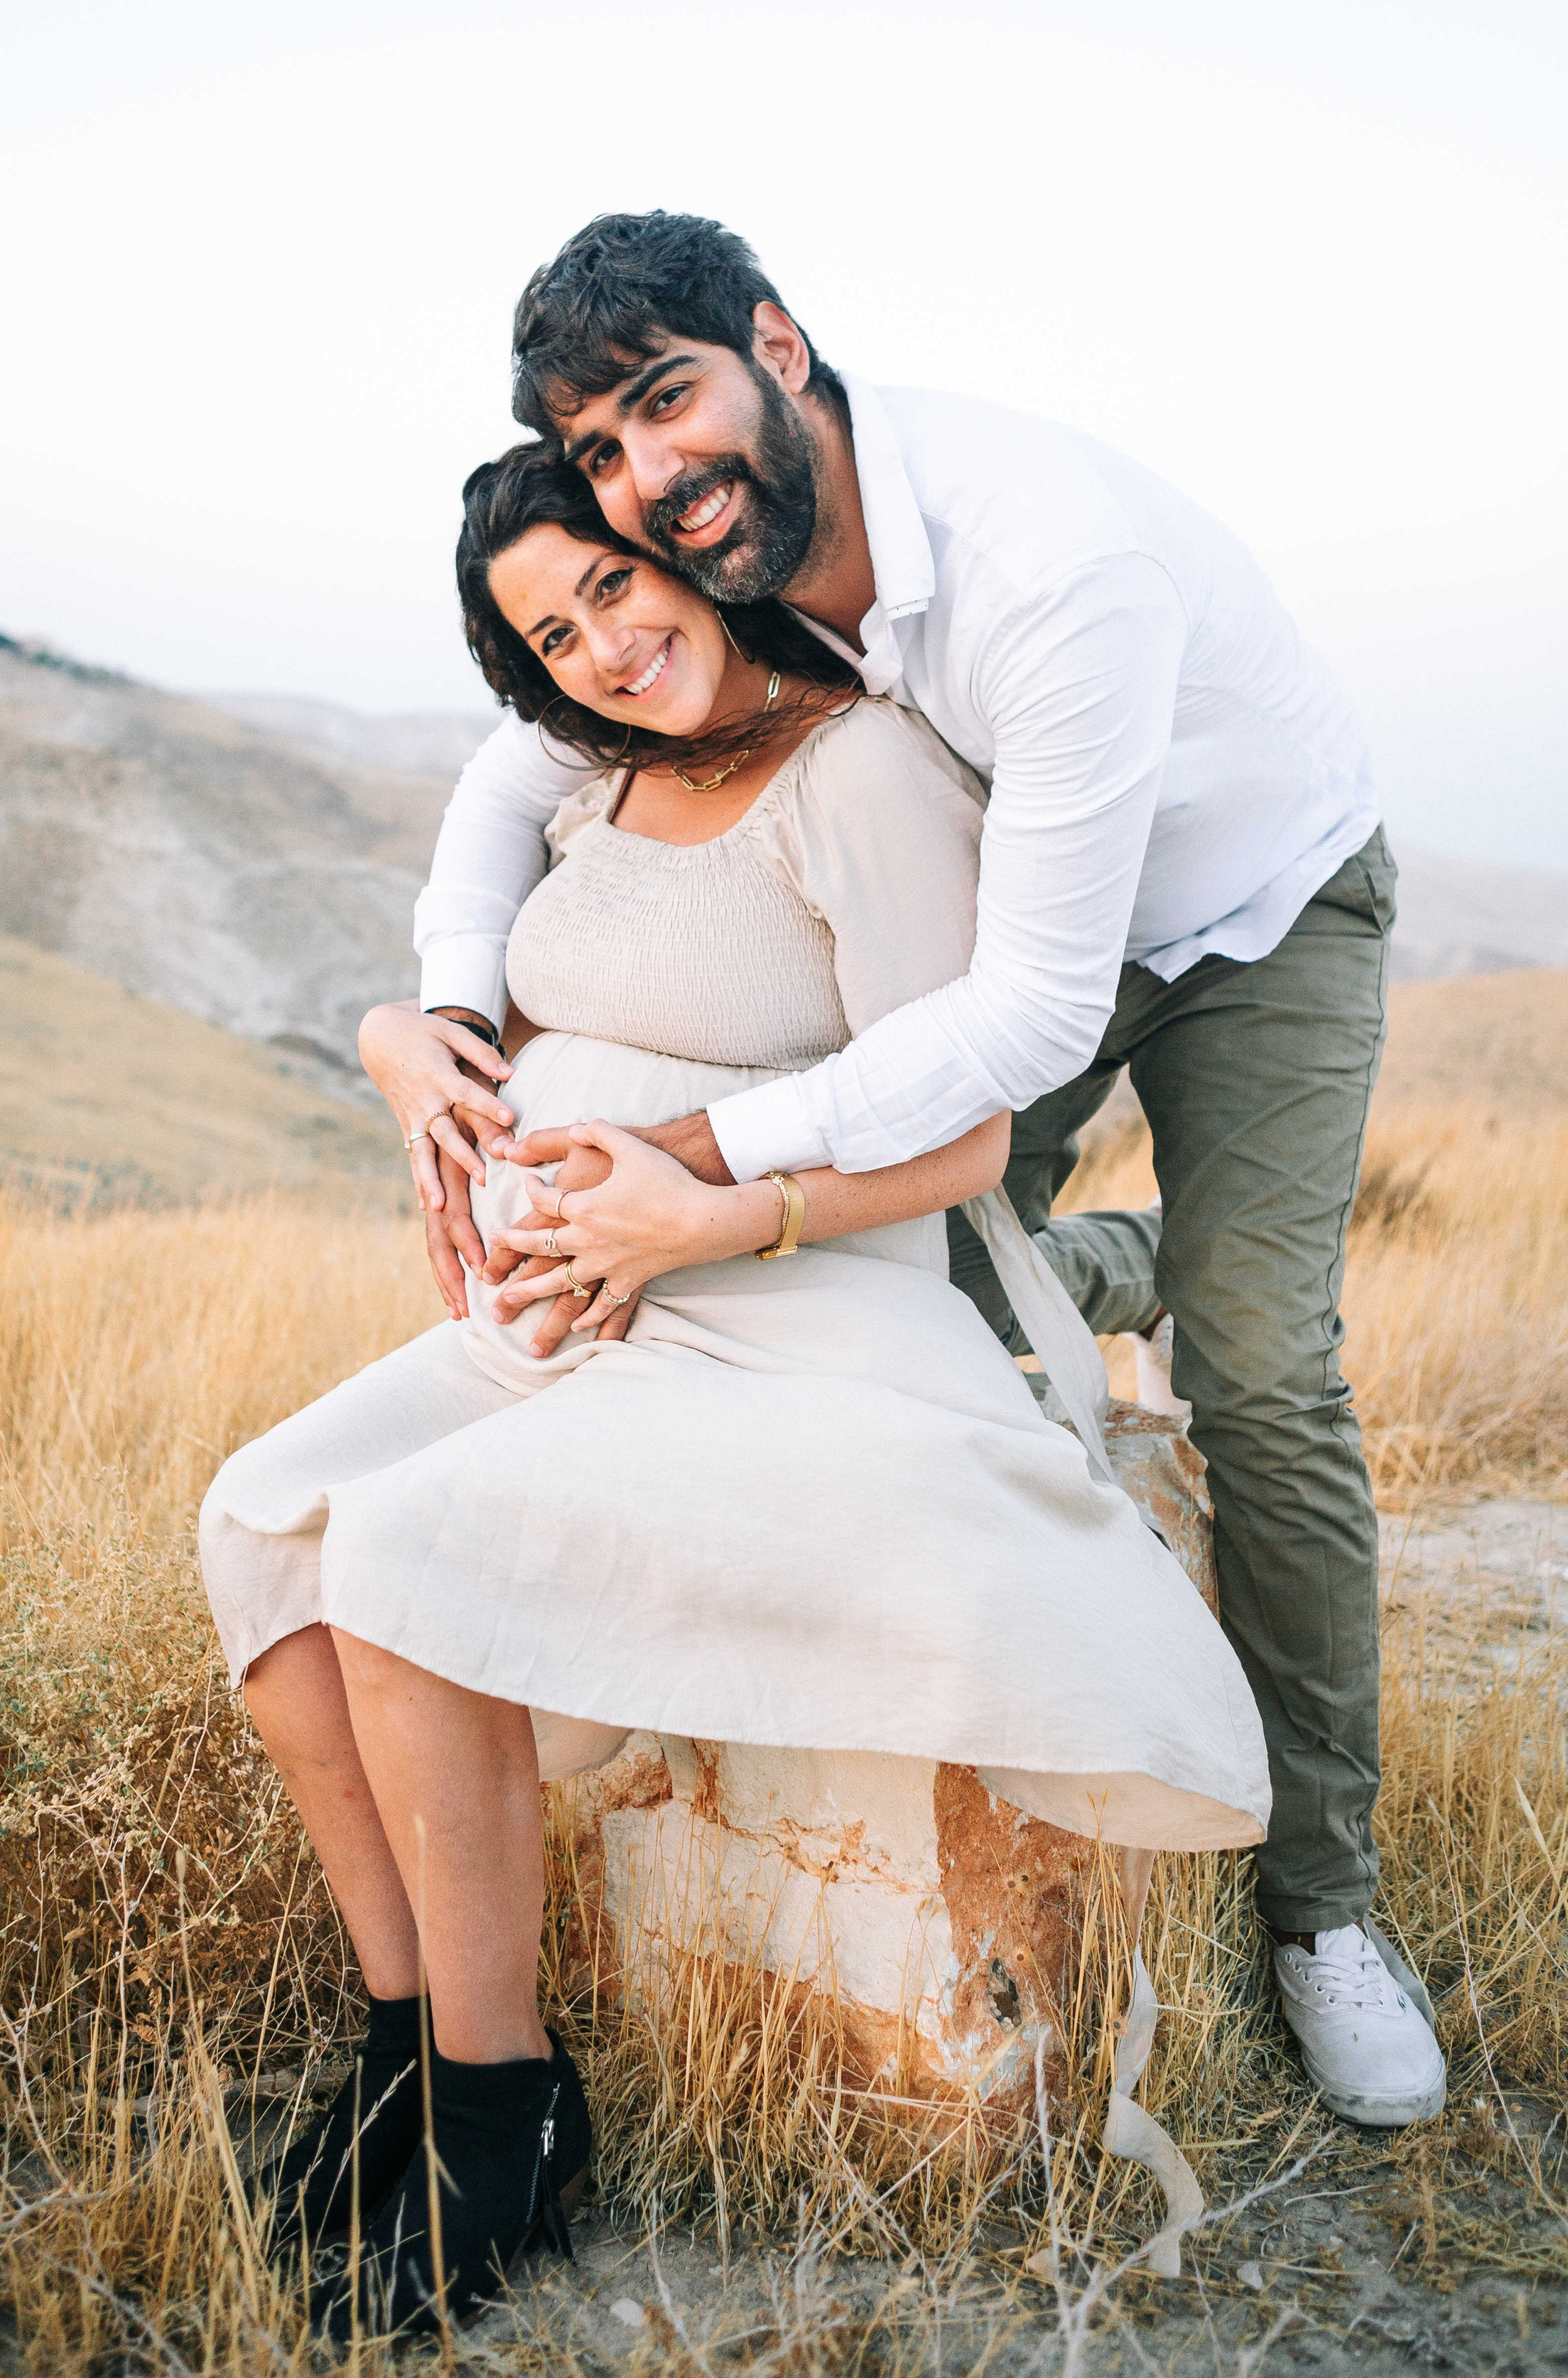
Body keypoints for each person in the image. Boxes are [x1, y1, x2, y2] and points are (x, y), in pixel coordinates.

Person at [392, 211, 1447, 2135]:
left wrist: (698, 1160)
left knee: (1269, 1377)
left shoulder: (1053, 566)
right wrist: (445, 1016)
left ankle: (1324, 1909)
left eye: (666, 401)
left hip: (1241, 916)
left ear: (781, 349)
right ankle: (1155, 1264)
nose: (651, 479)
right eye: (606, 448)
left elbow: (1032, 1028)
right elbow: (514, 765)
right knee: (918, 1265)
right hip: (1018, 925)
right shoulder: (730, 546)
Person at [198, 446, 1270, 2335]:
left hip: (799, 1310)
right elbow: (514, 1020)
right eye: (553, 630)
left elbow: (961, 1138)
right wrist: (399, 1044)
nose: (606, 642)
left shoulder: (856, 770)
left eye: (615, 587)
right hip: (570, 1316)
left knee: (410, 1552)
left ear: (684, 555)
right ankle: (403, 2050)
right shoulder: (597, 785)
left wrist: (701, 1221)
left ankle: (502, 2109)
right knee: (263, 1522)